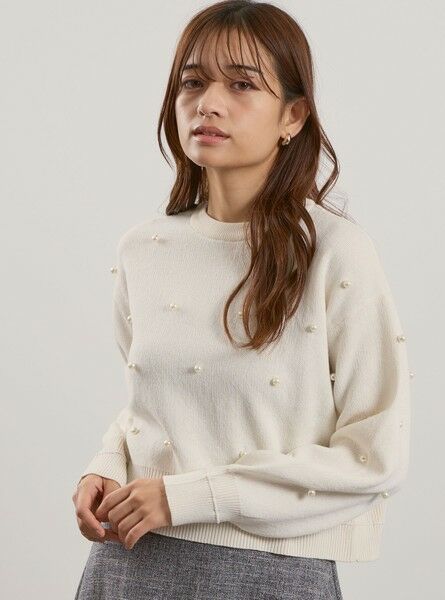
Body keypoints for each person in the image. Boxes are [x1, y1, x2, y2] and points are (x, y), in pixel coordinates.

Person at [72, 1, 412, 598]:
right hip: (128, 563)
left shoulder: (336, 253)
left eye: (242, 84)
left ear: (293, 116)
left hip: (271, 572)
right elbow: (153, 407)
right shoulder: (143, 249)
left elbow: (375, 456)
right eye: (193, 82)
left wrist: (188, 497)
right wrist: (107, 463)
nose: (208, 103)